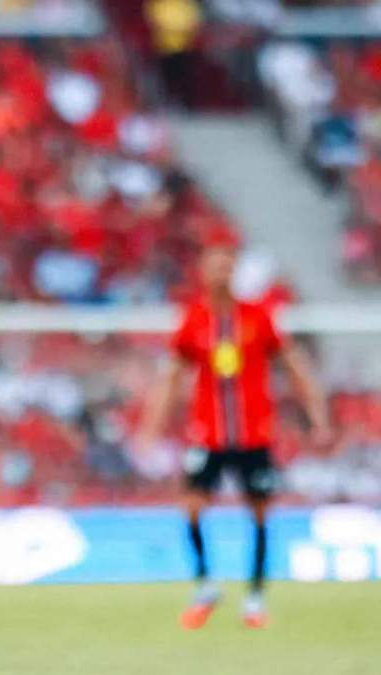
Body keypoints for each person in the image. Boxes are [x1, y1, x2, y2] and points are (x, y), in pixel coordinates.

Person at [138, 229, 330, 630]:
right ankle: (206, 585)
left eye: (228, 265)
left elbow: (293, 366)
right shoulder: (194, 318)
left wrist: (316, 414)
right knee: (192, 507)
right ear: (203, 270)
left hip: (253, 435)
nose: (221, 272)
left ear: (235, 270)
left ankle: (255, 598)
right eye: (215, 265)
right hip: (207, 434)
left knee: (259, 512)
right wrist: (151, 427)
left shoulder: (257, 317)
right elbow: (172, 377)